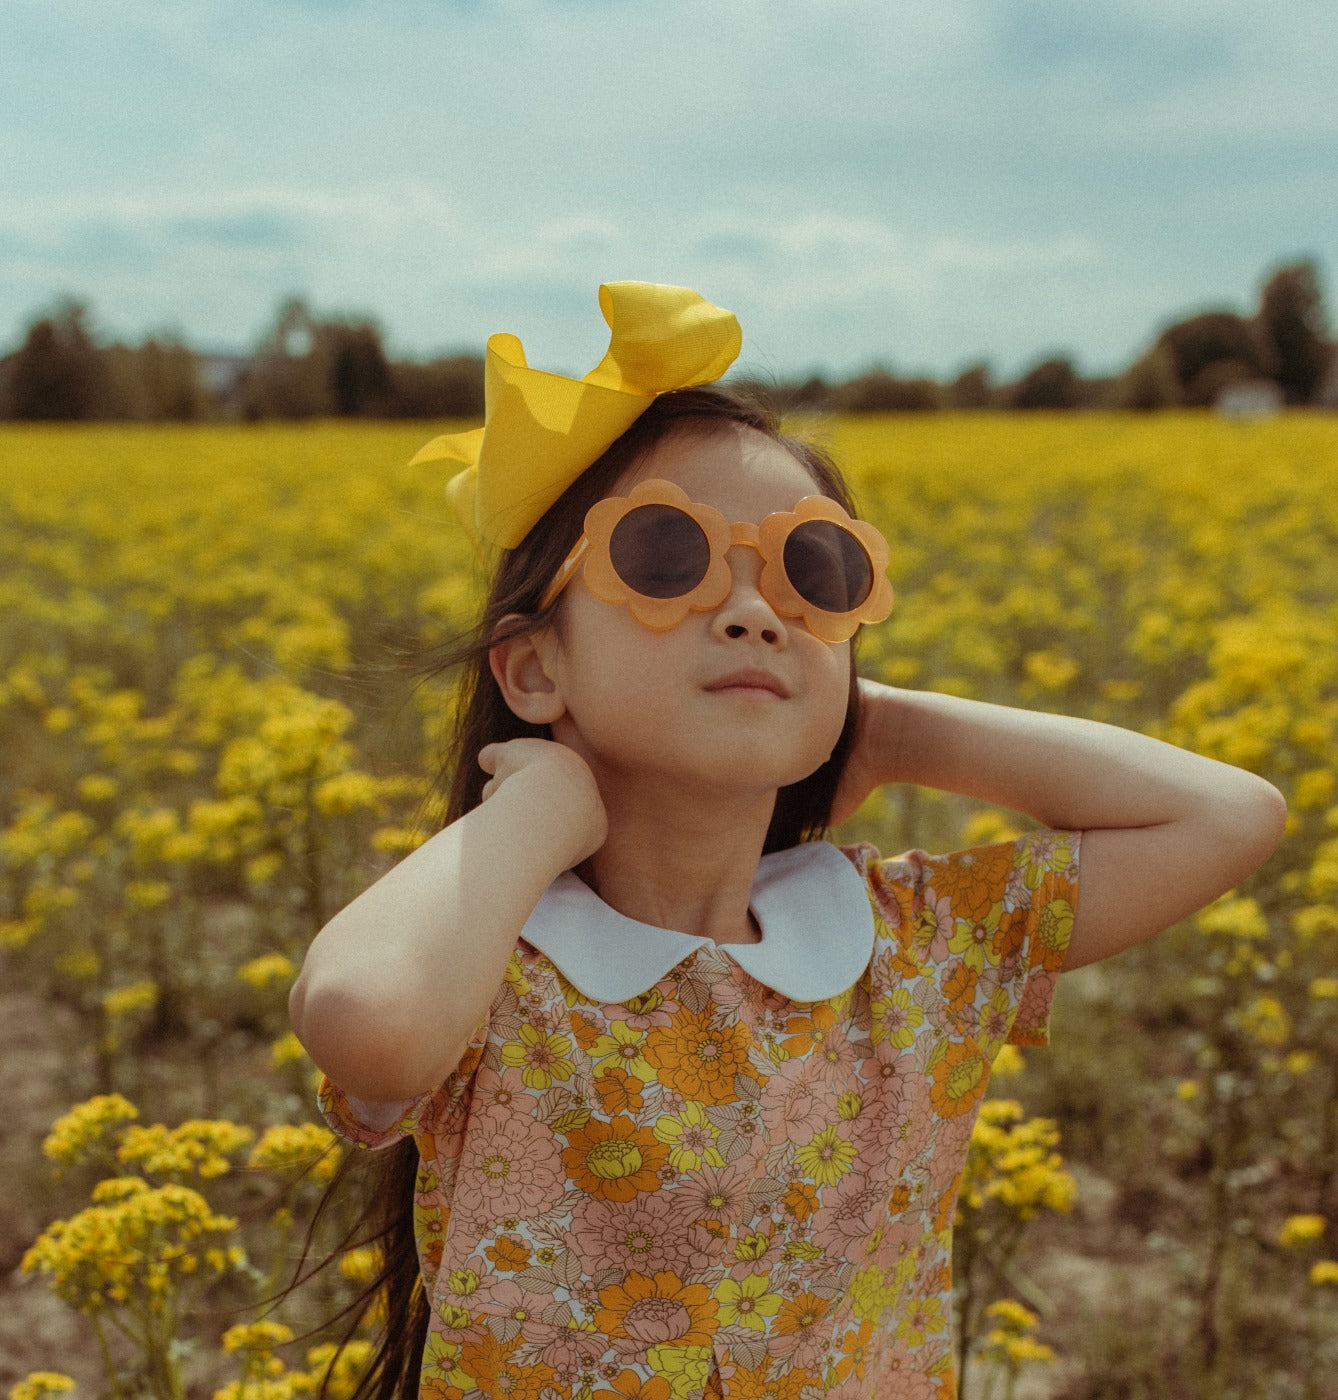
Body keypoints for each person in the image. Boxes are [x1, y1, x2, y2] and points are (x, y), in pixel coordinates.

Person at [288, 282, 1287, 1400]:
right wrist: (536, 807)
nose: (756, 610)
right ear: (534, 667)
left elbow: (1229, 815)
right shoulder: (496, 955)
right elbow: (364, 1023)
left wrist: (886, 723)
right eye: (669, 556)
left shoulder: (906, 949)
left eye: (818, 575)